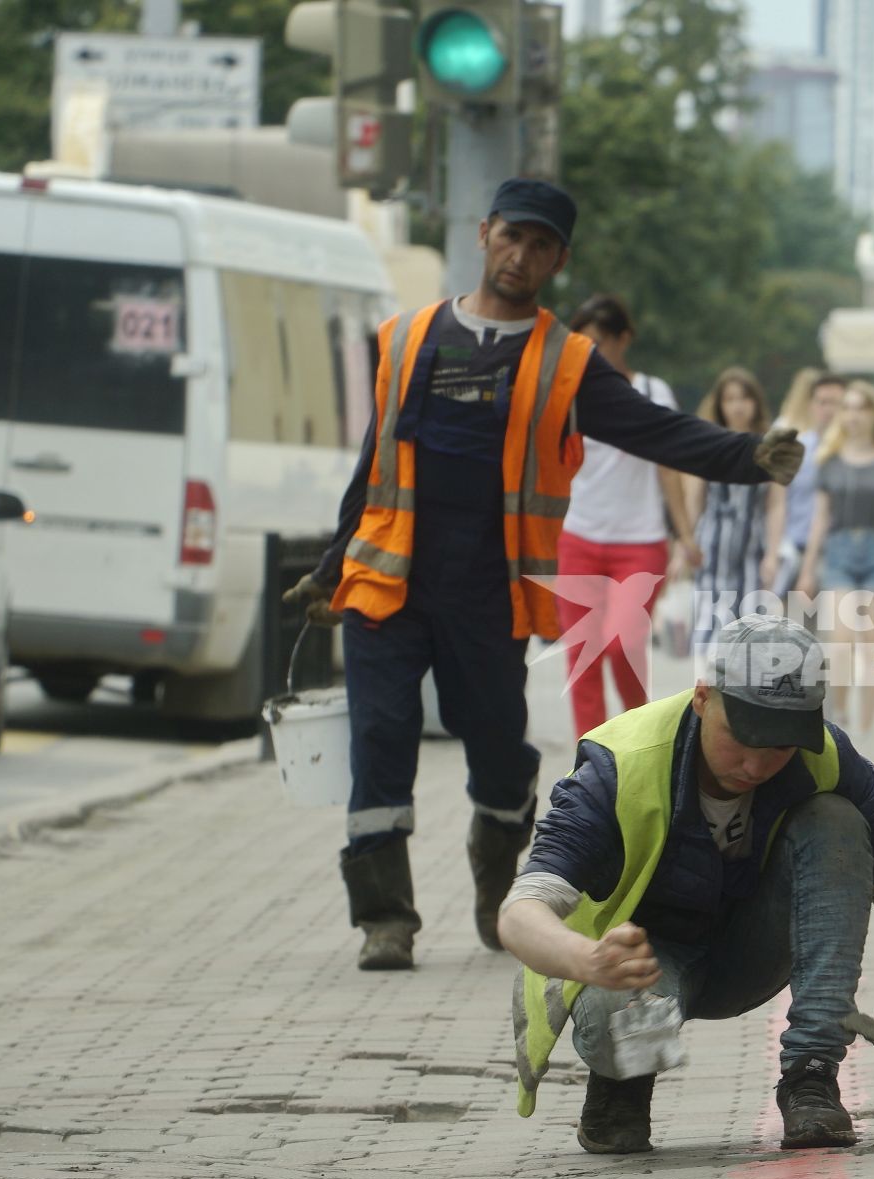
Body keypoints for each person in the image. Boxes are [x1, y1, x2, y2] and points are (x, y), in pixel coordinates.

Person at [281, 178, 804, 972]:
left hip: (489, 593)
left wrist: (749, 456)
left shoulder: (567, 361)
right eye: (509, 237)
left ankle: (501, 894)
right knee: (380, 738)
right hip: (388, 585)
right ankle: (384, 919)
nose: (519, 255)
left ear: (558, 260)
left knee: (497, 750)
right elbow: (373, 465)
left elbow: (654, 431)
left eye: (539, 245)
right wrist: (331, 567)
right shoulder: (406, 338)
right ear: (484, 233)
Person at [500, 615, 874, 1154]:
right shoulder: (619, 764)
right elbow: (521, 911)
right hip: (641, 962)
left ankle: (811, 1076)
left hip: (751, 949)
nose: (757, 764)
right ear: (702, 698)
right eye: (743, 738)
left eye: (779, 746)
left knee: (836, 819)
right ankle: (622, 1086)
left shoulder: (828, 757)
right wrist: (584, 960)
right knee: (615, 1013)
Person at [555, 294, 693, 738]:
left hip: (640, 541)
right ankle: (591, 762)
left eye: (598, 342)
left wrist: (686, 535)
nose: (590, 353)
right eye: (581, 343)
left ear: (624, 339)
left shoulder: (653, 392)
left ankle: (640, 735)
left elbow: (669, 466)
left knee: (622, 644)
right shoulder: (568, 393)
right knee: (583, 657)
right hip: (576, 538)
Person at [795, 380, 874, 735]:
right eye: (847, 407)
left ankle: (867, 731)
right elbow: (820, 520)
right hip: (839, 554)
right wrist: (807, 571)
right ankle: (841, 719)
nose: (852, 414)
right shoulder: (828, 462)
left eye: (861, 407)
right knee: (840, 643)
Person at [681, 368, 785, 651]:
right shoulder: (708, 444)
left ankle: (738, 694)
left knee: (751, 634)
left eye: (744, 398)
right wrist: (685, 544)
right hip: (713, 547)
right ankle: (707, 693)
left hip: (752, 548)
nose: (738, 406)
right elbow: (694, 499)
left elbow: (775, 504)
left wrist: (773, 554)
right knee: (709, 630)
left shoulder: (771, 447)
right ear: (720, 404)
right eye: (730, 399)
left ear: (756, 402)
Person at [768, 371, 845, 598]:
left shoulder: (857, 455)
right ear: (812, 405)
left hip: (839, 558)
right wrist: (772, 554)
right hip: (794, 554)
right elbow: (777, 504)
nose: (829, 409)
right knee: (790, 630)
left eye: (836, 403)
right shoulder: (794, 451)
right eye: (823, 402)